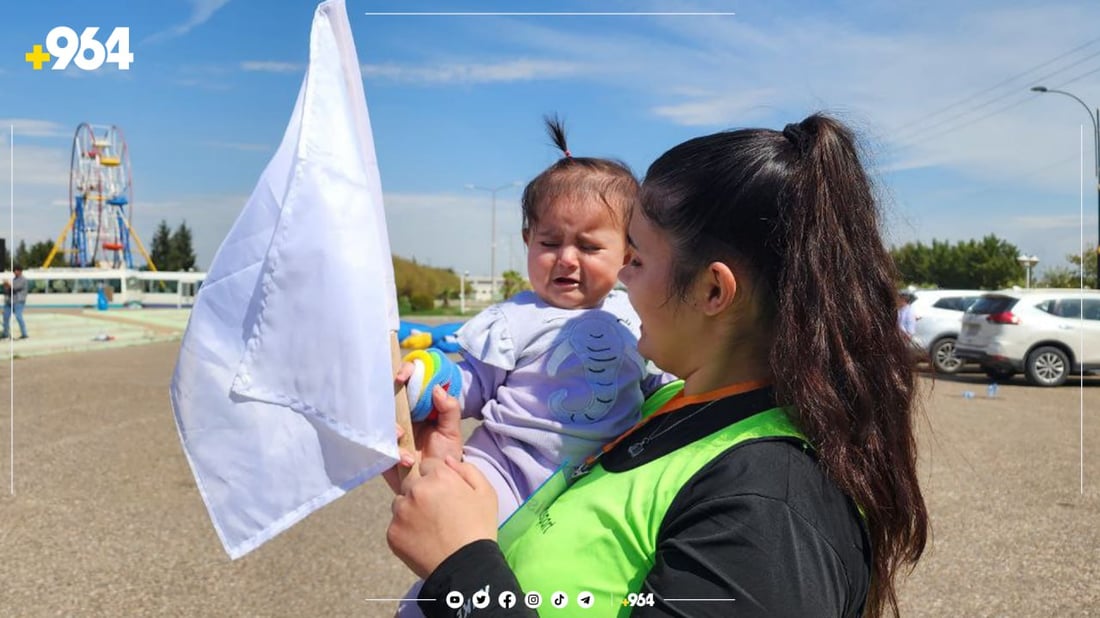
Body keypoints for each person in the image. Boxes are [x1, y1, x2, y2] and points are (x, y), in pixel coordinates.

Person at [387, 113, 928, 618]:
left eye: (637, 260)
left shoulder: (768, 513)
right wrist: (449, 490)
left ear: (713, 290)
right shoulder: (672, 404)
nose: (620, 279)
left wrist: (462, 568)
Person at [400, 115, 672, 524]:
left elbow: (658, 380)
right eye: (549, 243)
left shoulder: (633, 316)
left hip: (601, 475)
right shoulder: (515, 319)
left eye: (588, 247)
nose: (566, 259)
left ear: (628, 254)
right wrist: (435, 382)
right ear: (528, 240)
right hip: (507, 465)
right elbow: (475, 382)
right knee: (472, 525)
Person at [2, 264, 28, 340]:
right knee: (5, 317)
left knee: (18, 317)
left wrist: (8, 284)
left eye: (16, 270)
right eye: (14, 270)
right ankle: (5, 334)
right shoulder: (14, 279)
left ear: (20, 271)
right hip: (9, 302)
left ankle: (24, 334)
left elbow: (15, 287)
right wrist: (6, 286)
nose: (14, 272)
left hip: (18, 302)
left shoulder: (23, 280)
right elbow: (9, 290)